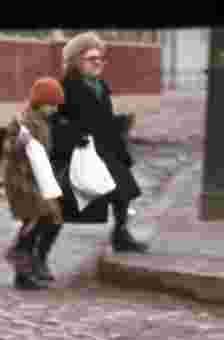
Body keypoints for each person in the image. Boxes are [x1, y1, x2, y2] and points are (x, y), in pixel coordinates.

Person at [52, 31, 148, 253]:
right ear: (76, 60)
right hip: (79, 153)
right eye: (92, 59)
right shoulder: (65, 86)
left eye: (100, 59)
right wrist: (73, 137)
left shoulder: (100, 86)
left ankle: (120, 234)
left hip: (105, 150)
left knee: (123, 191)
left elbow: (107, 122)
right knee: (60, 210)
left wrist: (122, 153)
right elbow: (55, 121)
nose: (98, 63)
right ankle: (35, 254)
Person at [2, 78, 65, 290]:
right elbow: (10, 147)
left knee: (48, 217)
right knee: (35, 219)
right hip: (21, 181)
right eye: (52, 105)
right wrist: (19, 144)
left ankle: (27, 263)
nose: (55, 109)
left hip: (36, 179)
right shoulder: (25, 121)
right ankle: (22, 268)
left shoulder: (42, 121)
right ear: (40, 102)